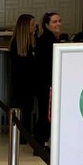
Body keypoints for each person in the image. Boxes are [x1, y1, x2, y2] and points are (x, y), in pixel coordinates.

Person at [33, 12, 62, 146]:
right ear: (46, 24)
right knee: (47, 113)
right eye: (54, 22)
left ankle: (41, 141)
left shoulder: (47, 39)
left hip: (42, 83)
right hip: (46, 83)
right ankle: (40, 142)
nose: (58, 24)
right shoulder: (48, 40)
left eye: (59, 21)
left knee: (45, 112)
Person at [9, 13, 37, 116]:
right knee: (23, 110)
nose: (34, 27)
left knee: (28, 110)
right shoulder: (16, 45)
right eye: (32, 24)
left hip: (29, 84)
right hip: (22, 84)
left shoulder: (31, 42)